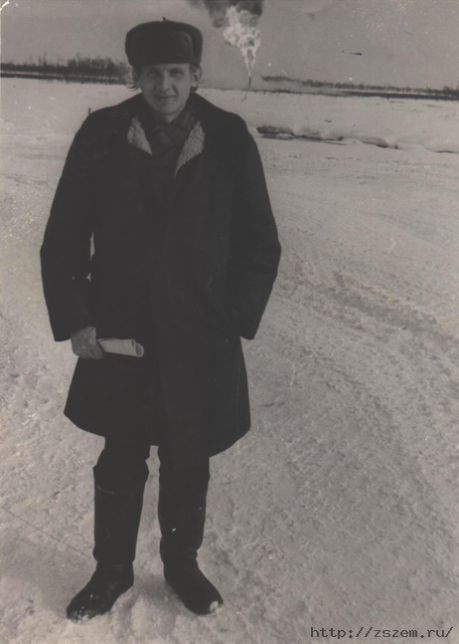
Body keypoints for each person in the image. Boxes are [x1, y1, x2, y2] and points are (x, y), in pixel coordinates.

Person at [40, 18, 281, 622]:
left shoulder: (227, 137)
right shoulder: (102, 133)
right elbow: (63, 237)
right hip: (121, 334)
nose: (164, 86)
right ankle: (111, 572)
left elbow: (259, 243)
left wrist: (231, 317)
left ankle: (182, 567)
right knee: (120, 456)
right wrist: (77, 319)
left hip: (200, 336)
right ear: (136, 76)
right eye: (152, 74)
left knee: (188, 457)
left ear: (196, 75)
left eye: (176, 73)